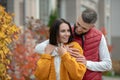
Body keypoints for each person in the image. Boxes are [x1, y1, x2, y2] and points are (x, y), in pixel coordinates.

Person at [70, 9, 112, 80]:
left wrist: (86, 63)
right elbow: (48, 47)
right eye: (78, 24)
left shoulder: (99, 36)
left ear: (92, 26)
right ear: (78, 18)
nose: (79, 29)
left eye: (84, 28)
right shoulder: (66, 32)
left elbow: (108, 65)